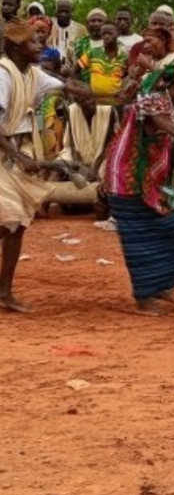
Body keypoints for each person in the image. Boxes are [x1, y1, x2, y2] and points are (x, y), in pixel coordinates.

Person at [103, 28, 174, 315]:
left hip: (146, 181)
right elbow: (160, 123)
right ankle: (144, 297)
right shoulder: (155, 99)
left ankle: (157, 286)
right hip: (127, 180)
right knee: (141, 238)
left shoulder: (173, 106)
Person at [0, 20, 89, 311]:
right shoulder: (3, 75)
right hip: (7, 153)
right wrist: (19, 156)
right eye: (33, 41)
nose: (40, 45)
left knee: (17, 224)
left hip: (13, 153)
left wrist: (114, 97)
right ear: (15, 47)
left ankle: (4, 293)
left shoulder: (32, 74)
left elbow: (69, 87)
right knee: (12, 220)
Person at [75, 20, 128, 102]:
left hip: (115, 102)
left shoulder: (124, 57)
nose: (106, 36)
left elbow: (128, 76)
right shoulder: (92, 52)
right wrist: (81, 89)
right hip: (94, 101)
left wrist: (123, 90)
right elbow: (75, 70)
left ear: (118, 34)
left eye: (110, 33)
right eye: (104, 34)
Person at [48, 0, 87, 64]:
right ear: (56, 12)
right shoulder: (48, 25)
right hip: (48, 66)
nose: (63, 14)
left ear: (71, 12)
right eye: (61, 11)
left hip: (72, 67)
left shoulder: (81, 29)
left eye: (66, 12)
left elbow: (85, 52)